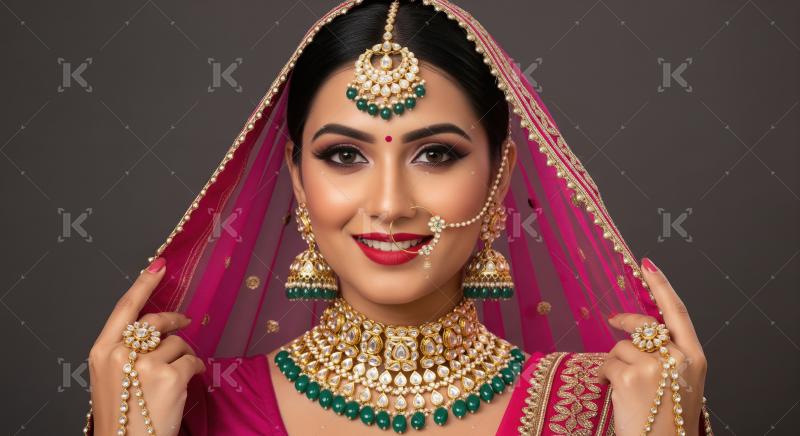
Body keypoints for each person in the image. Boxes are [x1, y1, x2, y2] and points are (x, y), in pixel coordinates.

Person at [84, 1, 714, 435]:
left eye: (436, 154)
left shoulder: (608, 405)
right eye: (344, 155)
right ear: (299, 180)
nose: (389, 205)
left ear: (502, 178)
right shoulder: (188, 409)